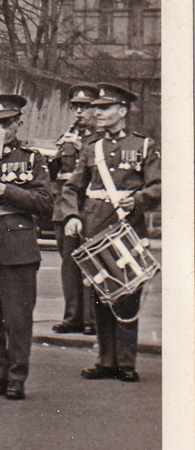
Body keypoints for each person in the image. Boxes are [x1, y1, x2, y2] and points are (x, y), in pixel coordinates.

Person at [60, 83, 160, 383]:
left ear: (123, 110)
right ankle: (105, 360)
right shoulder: (92, 148)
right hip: (95, 227)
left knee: (128, 293)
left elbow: (159, 185)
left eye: (104, 108)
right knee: (101, 293)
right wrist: (72, 215)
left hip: (128, 228)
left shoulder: (144, 145)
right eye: (97, 109)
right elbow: (72, 187)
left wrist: (139, 199)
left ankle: (126, 362)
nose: (98, 113)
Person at [0, 94, 53, 401]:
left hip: (17, 245)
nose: (1, 129)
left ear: (19, 123)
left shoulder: (32, 158)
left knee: (17, 318)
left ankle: (17, 377)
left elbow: (45, 204)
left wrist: (7, 191)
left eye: (7, 123)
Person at [49, 84, 99, 335]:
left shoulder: (98, 140)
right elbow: (57, 174)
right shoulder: (69, 134)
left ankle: (91, 319)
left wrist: (79, 148)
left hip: (88, 208)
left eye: (85, 107)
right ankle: (73, 317)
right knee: (68, 264)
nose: (80, 112)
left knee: (89, 261)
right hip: (64, 208)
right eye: (76, 108)